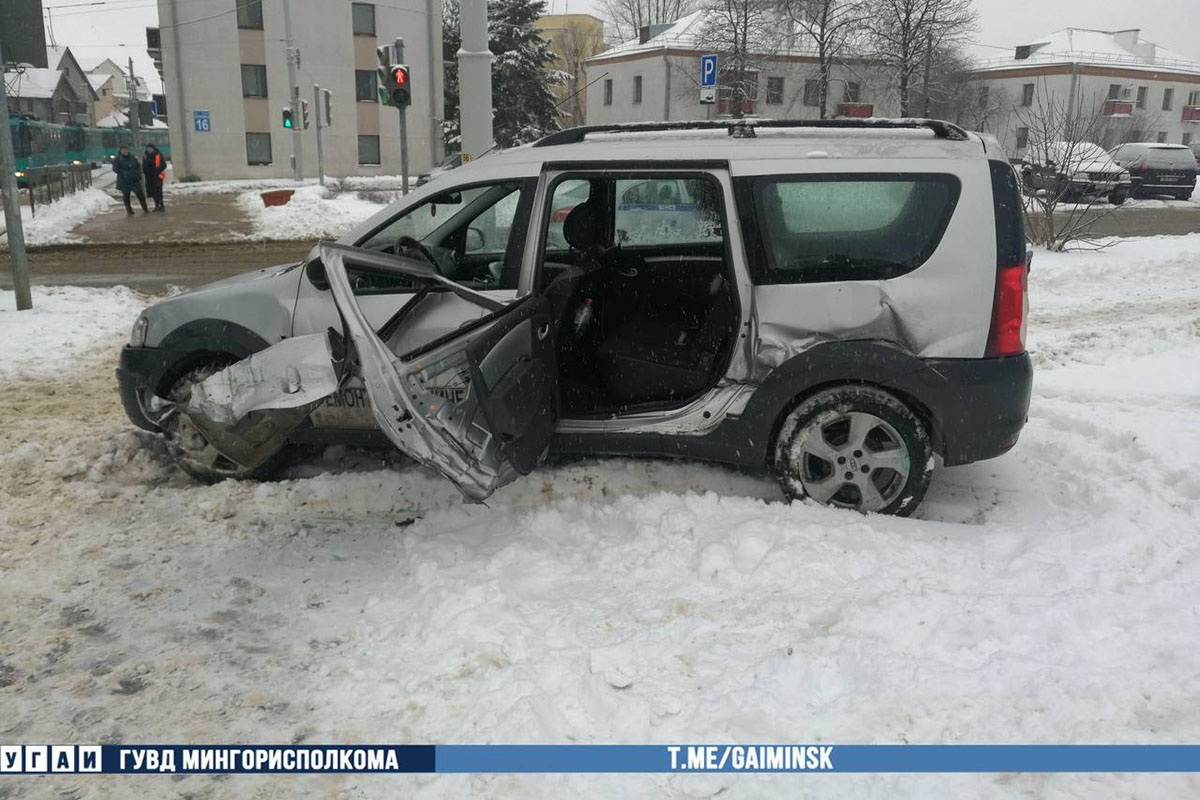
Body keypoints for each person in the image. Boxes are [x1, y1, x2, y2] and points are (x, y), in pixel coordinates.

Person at [112, 145, 147, 215]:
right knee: (126, 196)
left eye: (126, 149)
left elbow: (138, 166)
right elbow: (115, 169)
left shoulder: (132, 157)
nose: (125, 151)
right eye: (123, 150)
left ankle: (145, 209)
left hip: (134, 179)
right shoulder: (118, 159)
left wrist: (138, 173)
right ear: (121, 151)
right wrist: (123, 173)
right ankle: (129, 210)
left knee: (140, 194)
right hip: (124, 180)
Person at [142, 144, 166, 212]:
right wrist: (146, 171)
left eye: (150, 148)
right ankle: (157, 205)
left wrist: (156, 171)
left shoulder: (158, 155)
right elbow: (144, 165)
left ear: (153, 149)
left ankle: (160, 206)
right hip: (149, 177)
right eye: (148, 148)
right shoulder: (145, 156)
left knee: (158, 191)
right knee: (152, 191)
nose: (149, 150)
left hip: (158, 176)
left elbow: (162, 165)